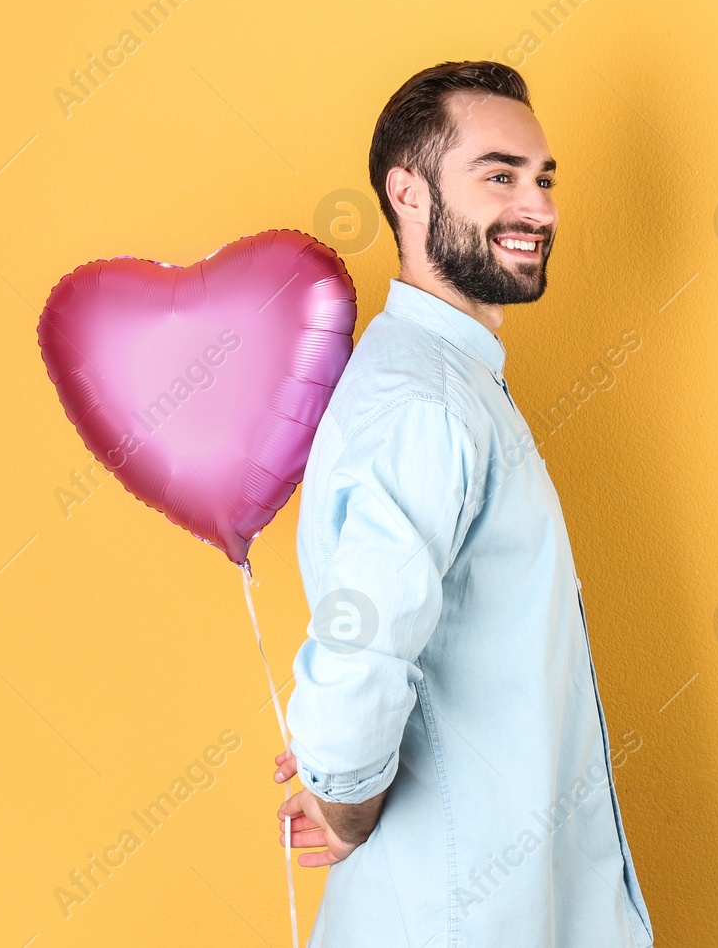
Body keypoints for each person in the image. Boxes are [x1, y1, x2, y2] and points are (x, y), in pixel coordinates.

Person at [272, 60, 655, 947]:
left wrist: (346, 774)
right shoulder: (428, 405)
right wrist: (345, 799)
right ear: (407, 193)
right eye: (499, 175)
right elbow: (355, 665)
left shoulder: (446, 382)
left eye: (543, 177)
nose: (540, 207)